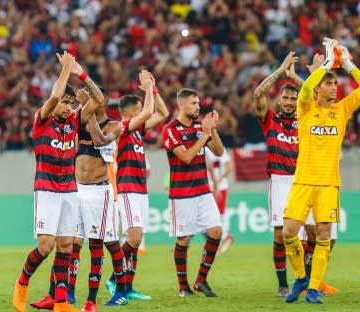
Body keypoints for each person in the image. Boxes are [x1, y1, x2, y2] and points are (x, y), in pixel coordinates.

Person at [12, 51, 104, 312]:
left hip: (69, 190)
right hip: (46, 189)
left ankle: (61, 302)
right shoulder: (42, 120)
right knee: (46, 245)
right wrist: (65, 69)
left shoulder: (74, 119)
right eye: (63, 103)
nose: (65, 107)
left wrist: (80, 73)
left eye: (69, 104)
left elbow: (99, 99)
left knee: (66, 246)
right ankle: (21, 283)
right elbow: (53, 97)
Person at [282, 39, 360, 304]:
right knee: (288, 232)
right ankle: (300, 278)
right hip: (303, 181)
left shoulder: (342, 110)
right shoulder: (306, 108)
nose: (334, 87)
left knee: (323, 235)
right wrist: (329, 63)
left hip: (329, 184)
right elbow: (305, 87)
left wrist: (349, 65)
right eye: (329, 83)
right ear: (319, 88)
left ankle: (314, 288)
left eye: (334, 83)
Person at [105, 71, 169, 302]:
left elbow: (163, 112)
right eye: (140, 107)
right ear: (133, 112)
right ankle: (115, 279)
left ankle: (128, 287)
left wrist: (154, 90)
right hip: (128, 189)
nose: (144, 110)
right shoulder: (123, 128)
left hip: (141, 190)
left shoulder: (137, 130)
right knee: (134, 237)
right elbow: (151, 111)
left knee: (136, 239)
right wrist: (148, 85)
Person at [162, 88, 225, 297]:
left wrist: (212, 130)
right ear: (181, 105)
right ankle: (183, 287)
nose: (198, 107)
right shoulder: (170, 130)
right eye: (193, 103)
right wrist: (205, 134)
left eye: (198, 103)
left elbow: (219, 152)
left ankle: (201, 281)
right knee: (184, 240)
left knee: (216, 232)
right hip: (181, 195)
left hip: (203, 191)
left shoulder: (201, 126)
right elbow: (186, 157)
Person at [253, 52, 304, 296]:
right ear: (279, 100)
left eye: (293, 99)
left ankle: (305, 280)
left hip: (303, 180)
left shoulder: (304, 120)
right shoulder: (269, 120)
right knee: (279, 234)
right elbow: (258, 94)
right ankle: (283, 284)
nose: (289, 102)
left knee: (309, 234)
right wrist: (282, 69)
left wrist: (296, 77)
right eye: (285, 98)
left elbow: (318, 97)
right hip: (280, 180)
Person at [205, 146, 234, 255]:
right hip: (216, 186)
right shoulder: (217, 148)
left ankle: (225, 237)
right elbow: (229, 166)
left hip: (215, 187)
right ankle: (223, 238)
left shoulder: (211, 149)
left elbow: (228, 166)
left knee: (215, 216)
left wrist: (217, 184)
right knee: (215, 215)